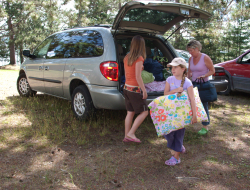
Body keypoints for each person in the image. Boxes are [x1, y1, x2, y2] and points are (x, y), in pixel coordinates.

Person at [163, 57, 197, 165]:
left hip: (182, 114)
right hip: (170, 112)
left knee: (178, 134)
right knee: (167, 133)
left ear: (183, 69)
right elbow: (165, 94)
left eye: (176, 67)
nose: (173, 69)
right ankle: (179, 146)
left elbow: (192, 99)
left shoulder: (187, 83)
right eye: (172, 67)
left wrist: (194, 115)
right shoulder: (169, 79)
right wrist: (175, 90)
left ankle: (176, 157)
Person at [123, 35, 148, 143]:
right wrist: (144, 90)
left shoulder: (126, 57)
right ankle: (131, 133)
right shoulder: (139, 58)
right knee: (144, 112)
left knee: (130, 112)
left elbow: (127, 73)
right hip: (135, 89)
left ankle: (126, 136)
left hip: (126, 88)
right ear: (142, 46)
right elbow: (138, 76)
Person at [186, 40, 215, 134]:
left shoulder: (205, 57)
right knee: (191, 103)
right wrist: (186, 80)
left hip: (203, 85)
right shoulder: (190, 59)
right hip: (193, 84)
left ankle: (205, 126)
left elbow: (212, 70)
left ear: (197, 49)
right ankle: (192, 120)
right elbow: (189, 71)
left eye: (191, 51)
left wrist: (204, 75)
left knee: (203, 105)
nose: (190, 53)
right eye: (189, 51)